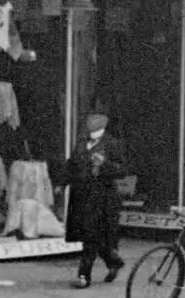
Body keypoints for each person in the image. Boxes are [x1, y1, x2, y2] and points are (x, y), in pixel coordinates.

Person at [61, 112, 128, 289]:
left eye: (95, 122)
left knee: (91, 238)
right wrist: (62, 183)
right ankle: (113, 261)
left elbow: (122, 170)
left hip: (102, 199)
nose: (90, 124)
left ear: (103, 125)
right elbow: (72, 165)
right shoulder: (82, 142)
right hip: (83, 197)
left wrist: (105, 164)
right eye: (89, 121)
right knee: (93, 237)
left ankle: (84, 276)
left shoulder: (112, 143)